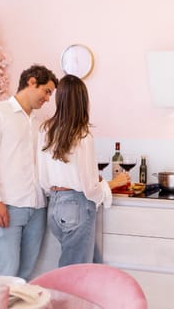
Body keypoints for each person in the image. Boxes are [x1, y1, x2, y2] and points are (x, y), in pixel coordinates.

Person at [0, 64, 59, 280]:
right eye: (46, 91)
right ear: (31, 82)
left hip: (37, 208)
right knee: (6, 273)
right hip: (7, 206)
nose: (48, 98)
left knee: (24, 276)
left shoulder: (38, 125)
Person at [37, 74, 130, 267]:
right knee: (76, 274)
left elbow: (43, 177)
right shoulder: (82, 135)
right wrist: (111, 184)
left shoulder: (46, 129)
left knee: (93, 266)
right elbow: (90, 188)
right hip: (77, 207)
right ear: (83, 101)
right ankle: (67, 299)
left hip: (54, 206)